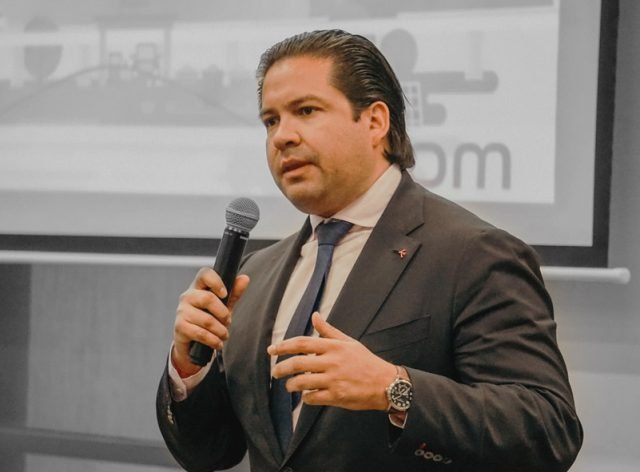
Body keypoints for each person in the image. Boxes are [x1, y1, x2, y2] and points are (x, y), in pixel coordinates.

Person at [156, 29, 582, 472]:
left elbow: (548, 430)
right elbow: (209, 452)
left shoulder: (474, 255)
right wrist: (188, 367)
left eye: (306, 111)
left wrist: (393, 389)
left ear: (376, 121)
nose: (282, 136)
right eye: (270, 121)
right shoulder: (256, 275)